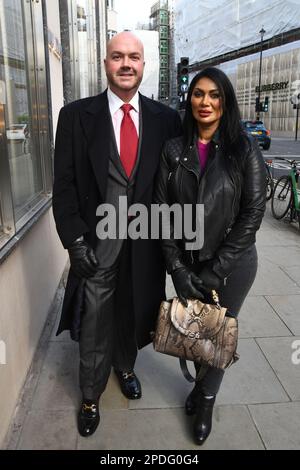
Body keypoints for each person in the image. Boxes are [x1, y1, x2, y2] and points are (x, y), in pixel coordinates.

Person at [52, 31, 182, 437]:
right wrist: (74, 242)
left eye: (134, 57)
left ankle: (125, 367)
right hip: (96, 243)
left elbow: (178, 187)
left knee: (133, 310)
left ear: (144, 65)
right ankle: (90, 394)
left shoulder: (166, 119)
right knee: (94, 318)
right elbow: (65, 187)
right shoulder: (75, 116)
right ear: (105, 63)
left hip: (145, 243)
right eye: (117, 56)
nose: (126, 64)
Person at [154, 67, 266, 445]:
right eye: (198, 94)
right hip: (188, 263)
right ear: (190, 100)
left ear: (225, 101)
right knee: (194, 332)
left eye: (214, 95)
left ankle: (204, 399)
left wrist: (218, 269)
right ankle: (200, 389)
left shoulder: (243, 148)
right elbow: (161, 213)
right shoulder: (173, 149)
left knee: (216, 335)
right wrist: (177, 269)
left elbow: (253, 212)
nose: (205, 102)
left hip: (233, 266)